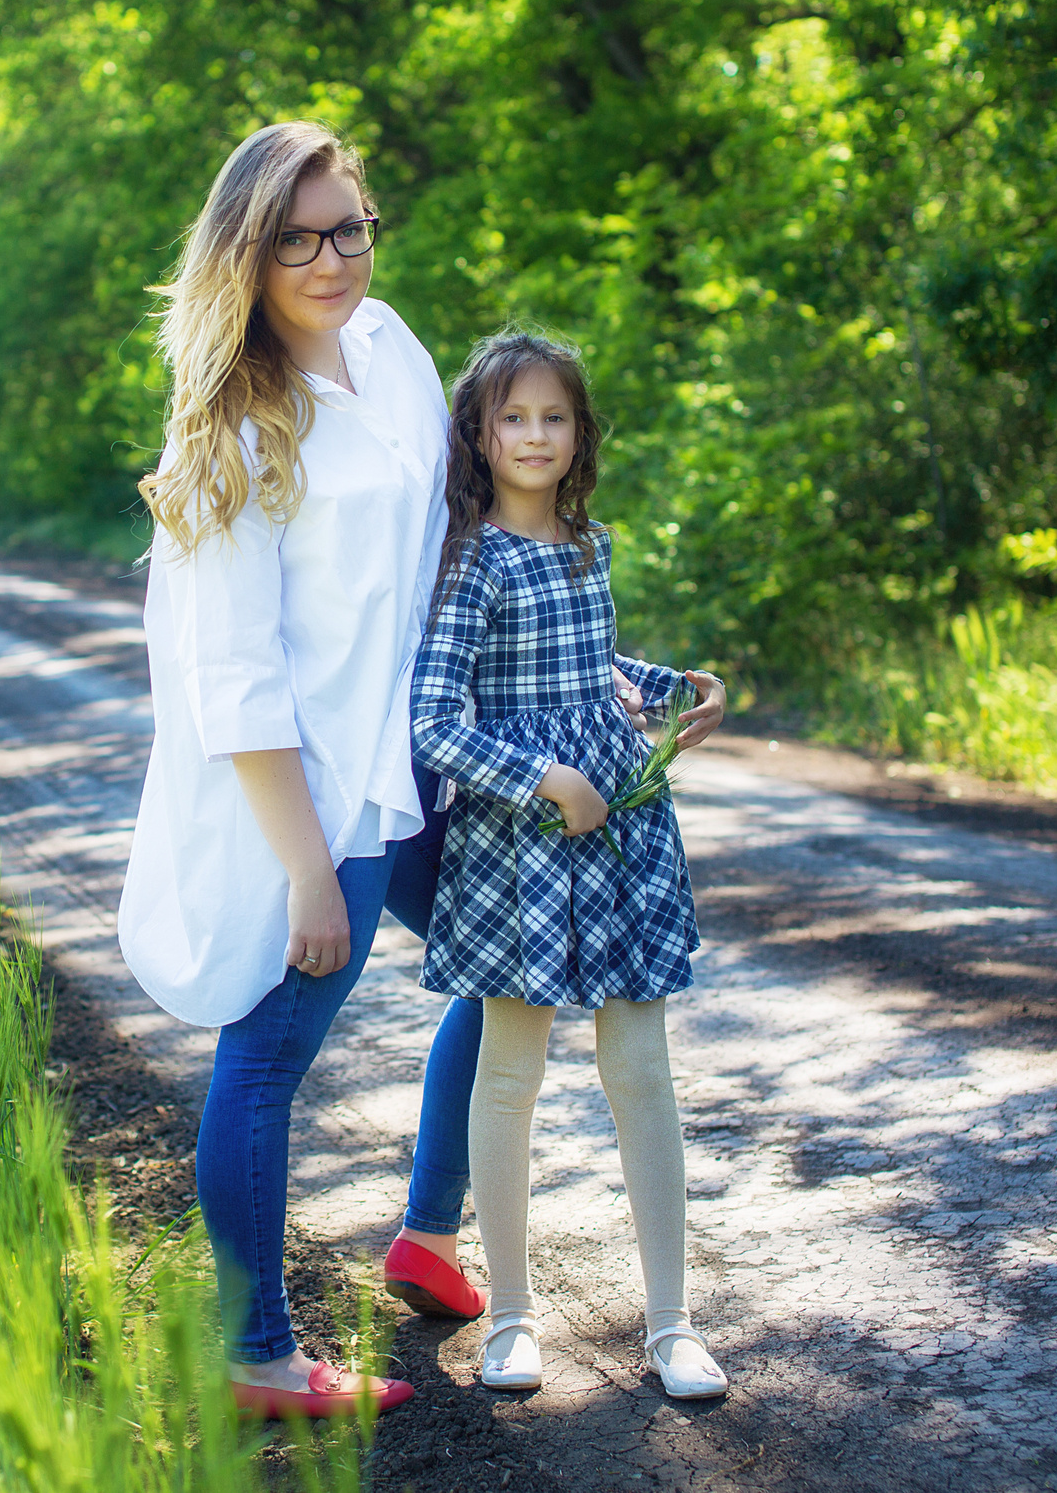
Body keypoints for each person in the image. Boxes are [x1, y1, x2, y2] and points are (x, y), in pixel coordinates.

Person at [117, 119, 441, 1420]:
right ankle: (255, 1353)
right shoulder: (234, 433)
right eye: (296, 240)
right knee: (264, 1058)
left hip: (420, 754)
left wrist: (594, 669)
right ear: (247, 255)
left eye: (348, 228)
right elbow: (234, 677)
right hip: (317, 798)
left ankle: (430, 1228)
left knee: (512, 957)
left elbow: (451, 540)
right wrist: (308, 865)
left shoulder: (391, 347)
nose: (330, 259)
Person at [405, 329, 732, 1401]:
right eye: (513, 417)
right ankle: (510, 1319)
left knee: (641, 1069)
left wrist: (675, 688)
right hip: (522, 844)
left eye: (554, 416)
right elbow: (433, 722)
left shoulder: (590, 546)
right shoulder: (473, 561)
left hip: (623, 831)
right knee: (509, 1074)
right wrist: (547, 779)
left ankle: (673, 1323)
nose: (535, 435)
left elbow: (590, 668)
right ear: (479, 434)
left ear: (580, 433)